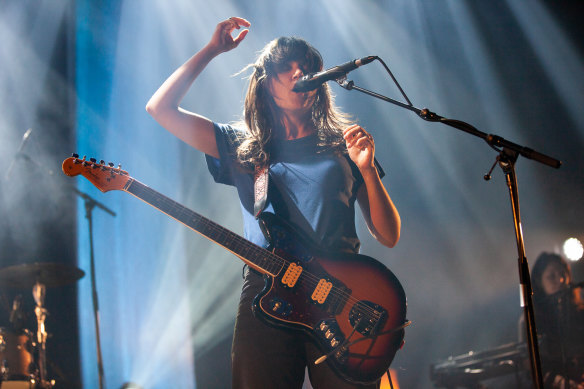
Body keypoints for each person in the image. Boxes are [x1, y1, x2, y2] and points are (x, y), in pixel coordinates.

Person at [146, 16, 401, 389]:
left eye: (308, 65)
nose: (300, 71)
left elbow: (389, 234)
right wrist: (212, 50)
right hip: (268, 293)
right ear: (265, 80)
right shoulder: (241, 146)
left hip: (342, 294)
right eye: (287, 65)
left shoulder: (344, 145)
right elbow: (160, 109)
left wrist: (368, 171)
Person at [528, 253, 584, 388]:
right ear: (539, 282)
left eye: (563, 274)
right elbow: (531, 368)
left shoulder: (580, 313)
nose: (560, 280)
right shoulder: (531, 321)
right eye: (551, 276)